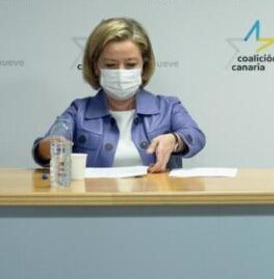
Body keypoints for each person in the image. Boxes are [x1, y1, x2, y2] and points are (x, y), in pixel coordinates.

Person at [32, 17, 205, 172]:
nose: (121, 72)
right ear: (95, 67)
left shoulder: (168, 107)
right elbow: (46, 145)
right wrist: (49, 147)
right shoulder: (79, 111)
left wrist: (174, 140)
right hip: (97, 204)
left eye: (130, 64)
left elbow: (196, 137)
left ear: (144, 65)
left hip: (155, 203)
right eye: (111, 65)